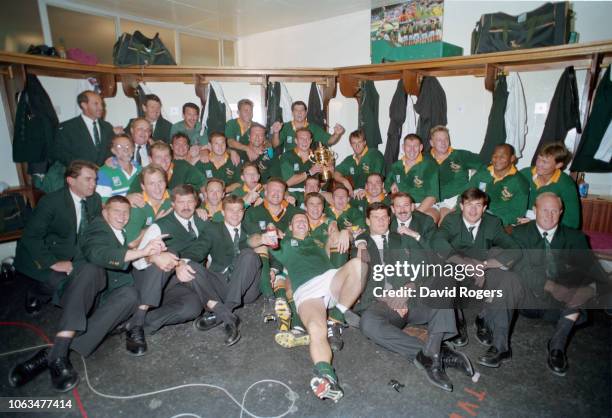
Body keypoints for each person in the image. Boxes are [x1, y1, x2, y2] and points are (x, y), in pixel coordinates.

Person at [9, 196, 165, 392]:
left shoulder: (122, 233)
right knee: (92, 269)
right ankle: (58, 356)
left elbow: (129, 254)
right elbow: (99, 254)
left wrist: (152, 254)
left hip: (104, 296)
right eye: (116, 211)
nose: (122, 216)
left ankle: (53, 353)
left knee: (131, 295)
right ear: (104, 212)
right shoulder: (96, 228)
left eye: (126, 212)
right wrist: (143, 253)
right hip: (81, 290)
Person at [353, 202, 473, 392]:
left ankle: (431, 354)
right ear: (367, 220)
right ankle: (436, 353)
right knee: (368, 323)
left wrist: (408, 287)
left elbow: (427, 263)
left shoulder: (402, 238)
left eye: (384, 216)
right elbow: (357, 282)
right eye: (376, 217)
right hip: (381, 304)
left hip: (412, 299)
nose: (381, 221)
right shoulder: (360, 246)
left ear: (390, 218)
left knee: (444, 276)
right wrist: (387, 297)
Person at [270, 213, 365, 402]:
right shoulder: (284, 242)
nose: (302, 223)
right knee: (315, 329)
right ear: (290, 226)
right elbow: (253, 241)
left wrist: (345, 231)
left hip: (330, 279)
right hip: (306, 290)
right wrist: (263, 237)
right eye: (297, 221)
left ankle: (337, 314)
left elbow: (339, 236)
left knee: (359, 264)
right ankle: (326, 375)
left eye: (305, 221)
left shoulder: (317, 239)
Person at [512, 192, 607, 376]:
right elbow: (520, 270)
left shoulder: (575, 238)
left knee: (579, 292)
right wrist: (553, 287)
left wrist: (587, 290)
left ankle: (557, 348)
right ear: (534, 210)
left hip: (559, 306)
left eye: (554, 211)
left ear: (561, 212)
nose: (549, 215)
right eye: (544, 210)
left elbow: (597, 274)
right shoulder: (519, 234)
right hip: (528, 300)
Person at [431, 188, 523, 368]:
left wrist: (484, 265)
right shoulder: (451, 220)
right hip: (458, 267)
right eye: (469, 205)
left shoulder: (493, 222)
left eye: (478, 205)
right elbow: (437, 242)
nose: (473, 210)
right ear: (461, 206)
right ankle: (457, 324)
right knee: (444, 274)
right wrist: (466, 263)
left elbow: (514, 250)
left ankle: (501, 346)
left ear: (485, 207)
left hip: (483, 269)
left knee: (508, 280)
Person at [129, 185, 210, 352]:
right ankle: (136, 324)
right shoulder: (159, 226)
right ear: (172, 204)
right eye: (181, 202)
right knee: (168, 254)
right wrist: (155, 257)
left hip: (177, 284)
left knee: (193, 307)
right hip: (151, 281)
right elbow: (137, 262)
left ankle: (140, 324)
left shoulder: (201, 222)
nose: (186, 206)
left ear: (196, 203)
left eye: (190, 202)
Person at [15, 161, 102, 316]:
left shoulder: (94, 199)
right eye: (88, 179)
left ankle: (77, 310)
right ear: (71, 180)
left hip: (75, 250)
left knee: (88, 280)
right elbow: (31, 237)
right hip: (48, 252)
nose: (93, 184)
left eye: (95, 180)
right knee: (56, 281)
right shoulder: (51, 202)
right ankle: (36, 293)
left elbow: (92, 230)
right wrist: (53, 263)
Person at [185, 195, 263, 346]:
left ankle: (223, 311)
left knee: (249, 255)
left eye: (239, 210)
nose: (235, 214)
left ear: (244, 212)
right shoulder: (213, 228)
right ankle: (227, 317)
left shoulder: (252, 228)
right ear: (223, 212)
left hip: (246, 288)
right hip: (220, 283)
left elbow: (266, 253)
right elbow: (198, 250)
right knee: (191, 266)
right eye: (230, 210)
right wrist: (182, 262)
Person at [244, 178, 304, 321]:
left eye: (280, 191)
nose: (276, 193)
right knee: (261, 245)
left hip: (287, 257)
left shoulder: (295, 212)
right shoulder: (252, 212)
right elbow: (254, 239)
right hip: (263, 257)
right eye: (273, 190)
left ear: (285, 193)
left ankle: (293, 318)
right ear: (265, 192)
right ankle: (270, 299)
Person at [519, 142, 580, 228]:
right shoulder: (525, 174)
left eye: (545, 162)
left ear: (558, 165)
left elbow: (572, 222)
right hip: (521, 219)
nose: (539, 164)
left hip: (550, 224)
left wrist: (536, 225)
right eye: (539, 159)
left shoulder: (566, 185)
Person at [428, 126, 482, 220]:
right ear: (432, 143)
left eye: (446, 139)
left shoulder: (461, 155)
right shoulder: (425, 159)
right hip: (432, 200)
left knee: (446, 222)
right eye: (439, 140)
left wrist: (472, 183)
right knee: (427, 221)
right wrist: (395, 181)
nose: (443, 143)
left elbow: (486, 165)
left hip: (455, 200)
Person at [468, 144, 529, 226]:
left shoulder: (520, 182)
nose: (497, 159)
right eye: (495, 156)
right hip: (474, 214)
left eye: (502, 157)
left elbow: (517, 213)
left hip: (498, 221)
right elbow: (467, 194)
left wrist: (496, 222)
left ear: (512, 158)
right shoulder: (483, 173)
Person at [385, 134, 440, 223]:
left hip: (424, 205)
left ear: (421, 147)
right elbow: (386, 185)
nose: (412, 150)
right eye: (408, 146)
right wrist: (392, 184)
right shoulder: (396, 166)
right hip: (401, 206)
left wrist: (414, 214)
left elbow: (432, 197)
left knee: (427, 221)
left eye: (415, 146)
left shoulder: (429, 165)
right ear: (403, 147)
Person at [51, 90, 113, 167]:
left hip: (104, 174)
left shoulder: (107, 127)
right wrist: (82, 168)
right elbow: (61, 154)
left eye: (101, 104)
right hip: (79, 175)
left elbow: (111, 149)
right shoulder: (67, 128)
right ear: (84, 105)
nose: (101, 107)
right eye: (96, 104)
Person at [127, 141, 205, 195]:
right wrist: (131, 197)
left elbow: (204, 184)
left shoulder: (182, 166)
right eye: (158, 157)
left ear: (171, 157)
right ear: (150, 159)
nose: (164, 161)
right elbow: (131, 195)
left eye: (166, 156)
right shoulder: (145, 174)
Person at [271, 101, 345, 154]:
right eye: (296, 110)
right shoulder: (285, 126)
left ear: (306, 113)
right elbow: (275, 145)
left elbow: (330, 141)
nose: (299, 113)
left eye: (302, 110)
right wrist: (276, 132)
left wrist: (337, 134)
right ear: (292, 113)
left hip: (308, 162)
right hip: (289, 162)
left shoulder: (313, 127)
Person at [124, 165, 173, 245]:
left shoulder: (174, 197)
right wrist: (155, 224)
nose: (157, 187)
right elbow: (132, 243)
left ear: (166, 182)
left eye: (160, 182)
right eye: (151, 183)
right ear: (143, 186)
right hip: (145, 250)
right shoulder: (136, 205)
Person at [96, 134, 140, 202]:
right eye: (119, 146)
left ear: (133, 149)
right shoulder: (104, 172)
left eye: (128, 146)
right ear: (113, 150)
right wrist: (126, 200)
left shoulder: (140, 170)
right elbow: (103, 203)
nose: (125, 149)